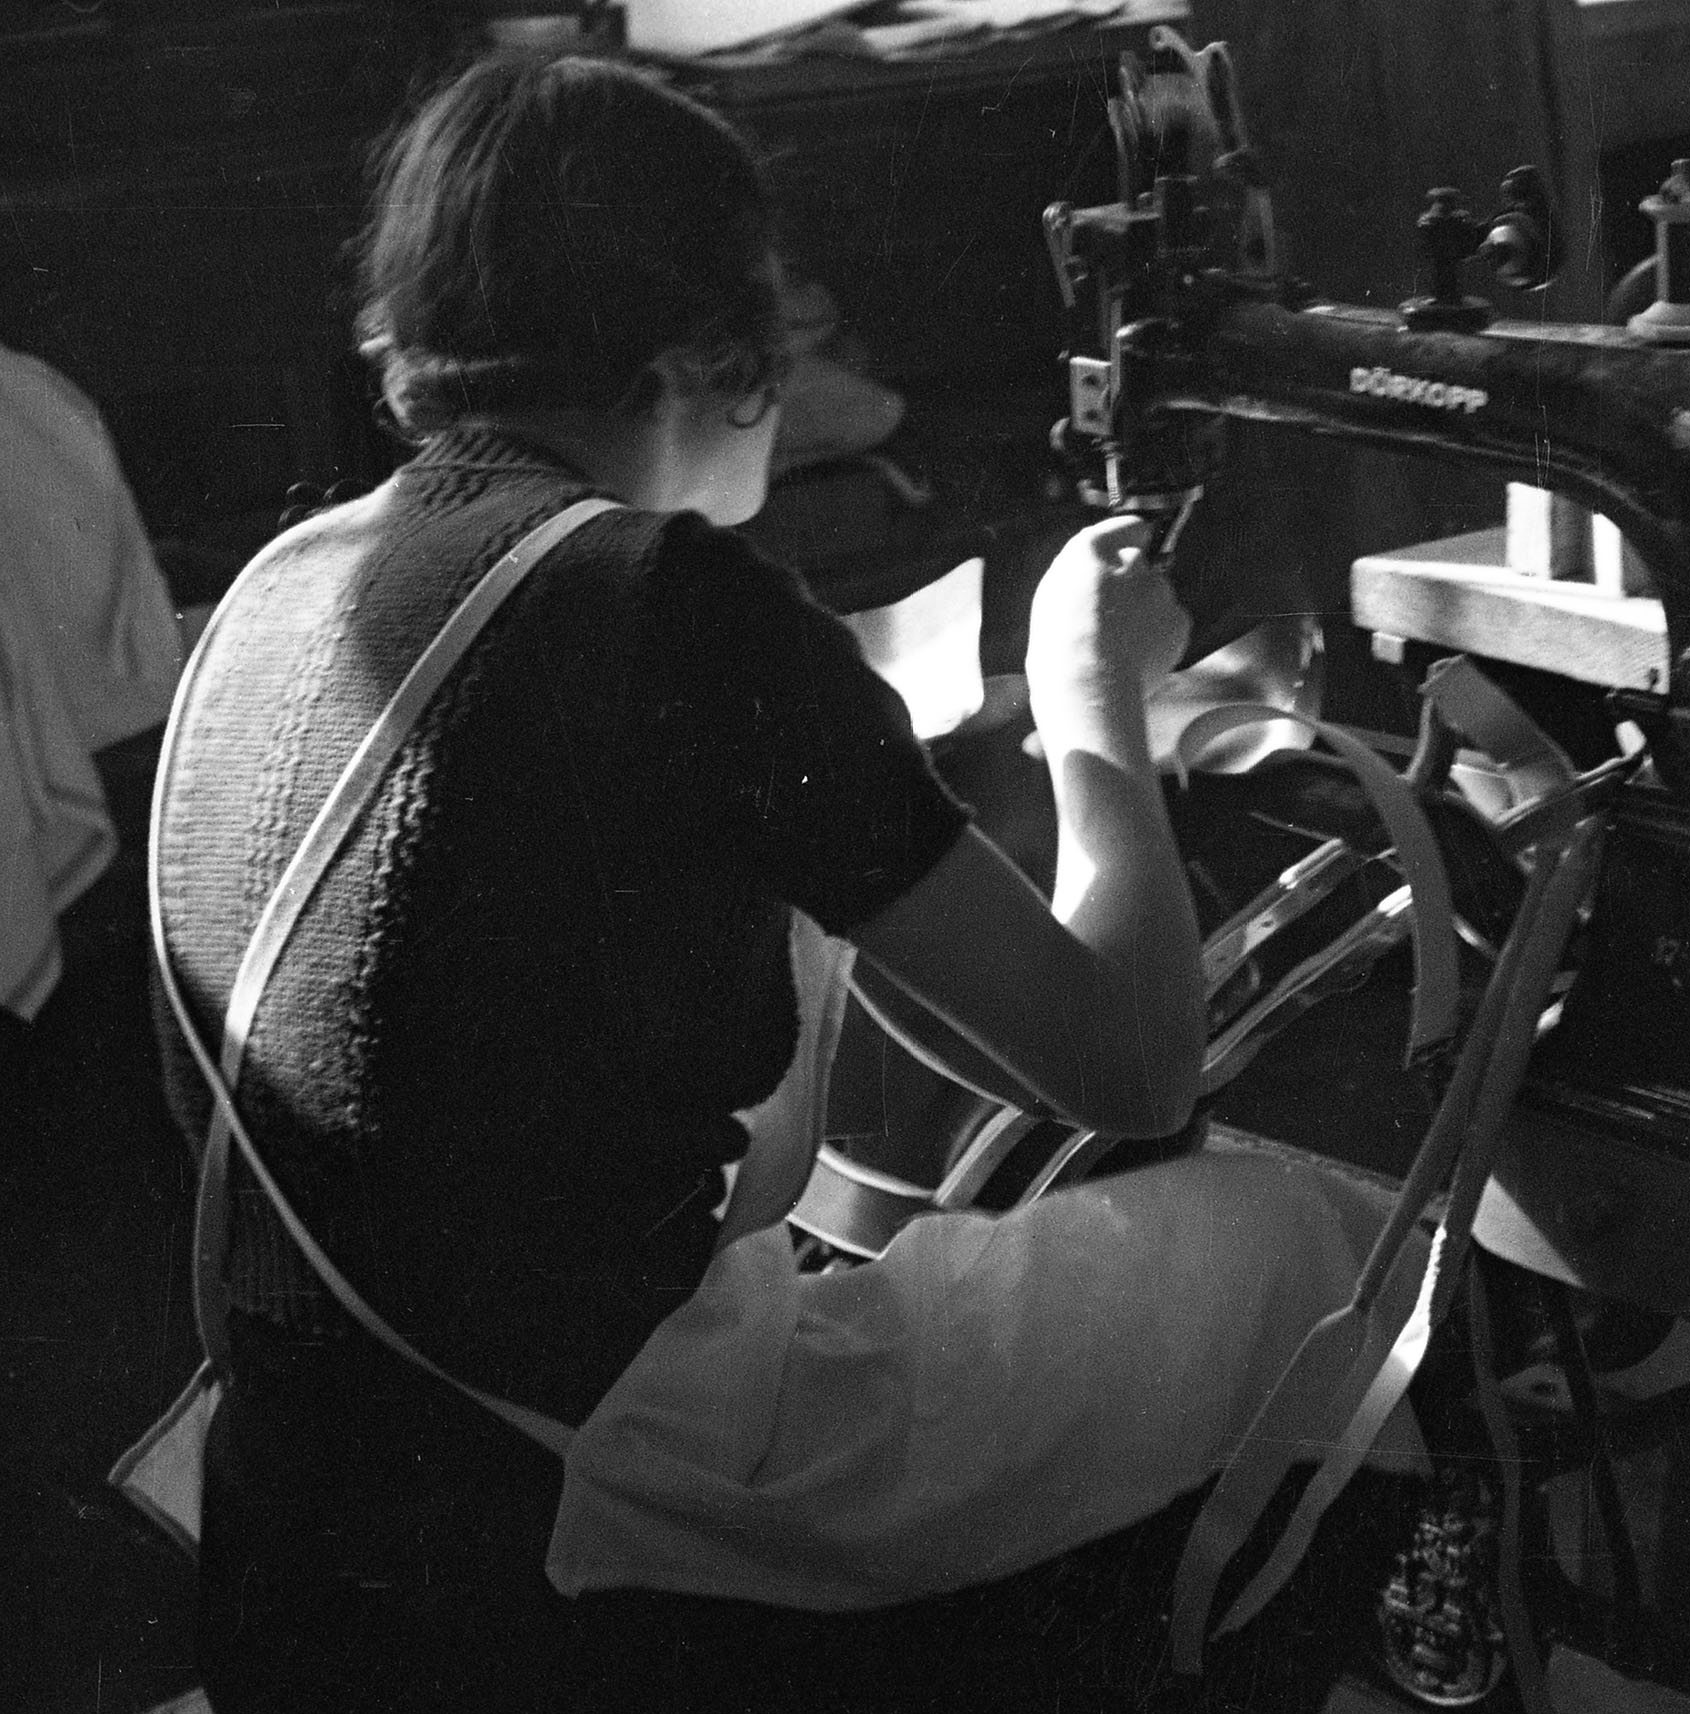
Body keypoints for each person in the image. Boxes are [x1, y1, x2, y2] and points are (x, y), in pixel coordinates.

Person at [155, 51, 1407, 1712]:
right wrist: (1091, 700)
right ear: (710, 352)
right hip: (576, 1504)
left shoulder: (275, 586)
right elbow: (1132, 1065)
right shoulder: (675, 599)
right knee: (1315, 1251)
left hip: (305, 1498)